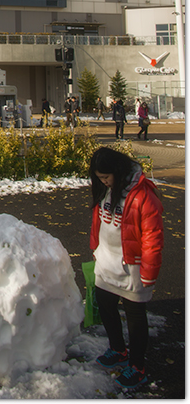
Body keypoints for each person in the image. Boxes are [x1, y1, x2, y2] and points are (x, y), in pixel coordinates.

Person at [89, 147, 163, 390]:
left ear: (118, 171)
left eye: (106, 177)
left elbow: (153, 237)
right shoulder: (107, 190)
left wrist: (149, 273)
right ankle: (118, 349)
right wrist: (95, 248)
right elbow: (98, 221)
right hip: (107, 262)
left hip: (132, 267)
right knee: (106, 305)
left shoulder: (143, 196)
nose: (104, 182)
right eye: (100, 178)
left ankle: (137, 365)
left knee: (135, 316)